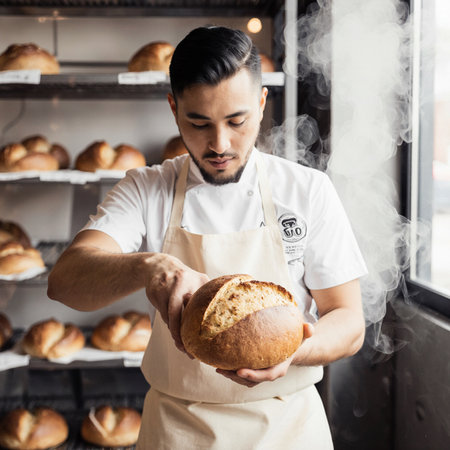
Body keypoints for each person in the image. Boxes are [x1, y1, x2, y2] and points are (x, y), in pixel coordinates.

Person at [47, 26, 367, 449]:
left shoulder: (306, 190)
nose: (219, 144)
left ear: (261, 102)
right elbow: (65, 282)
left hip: (288, 430)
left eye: (237, 121)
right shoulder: (146, 187)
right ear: (173, 108)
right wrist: (149, 265)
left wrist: (294, 354)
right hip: (178, 432)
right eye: (198, 123)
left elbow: (348, 321)